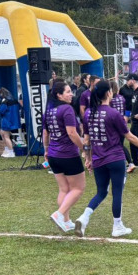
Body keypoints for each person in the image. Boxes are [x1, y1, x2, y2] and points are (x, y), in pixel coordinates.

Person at [76, 81, 138, 237]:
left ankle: (84, 217)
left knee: (101, 192)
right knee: (117, 192)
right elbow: (129, 136)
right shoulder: (113, 113)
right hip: (115, 158)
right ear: (108, 94)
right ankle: (117, 226)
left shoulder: (88, 114)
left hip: (98, 159)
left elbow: (86, 141)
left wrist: (88, 158)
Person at [43, 81, 86, 231]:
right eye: (67, 92)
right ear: (59, 95)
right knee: (78, 188)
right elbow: (72, 133)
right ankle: (59, 214)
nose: (71, 94)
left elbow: (45, 133)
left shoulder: (48, 110)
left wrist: (46, 149)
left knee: (64, 189)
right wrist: (84, 148)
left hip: (54, 155)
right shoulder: (66, 109)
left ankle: (66, 221)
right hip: (68, 154)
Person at [0, 87, 22, 158]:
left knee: (6, 136)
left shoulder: (5, 101)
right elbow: (20, 107)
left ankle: (11, 152)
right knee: (2, 133)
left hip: (7, 121)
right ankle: (7, 149)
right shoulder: (14, 100)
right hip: (15, 121)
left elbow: (1, 111)